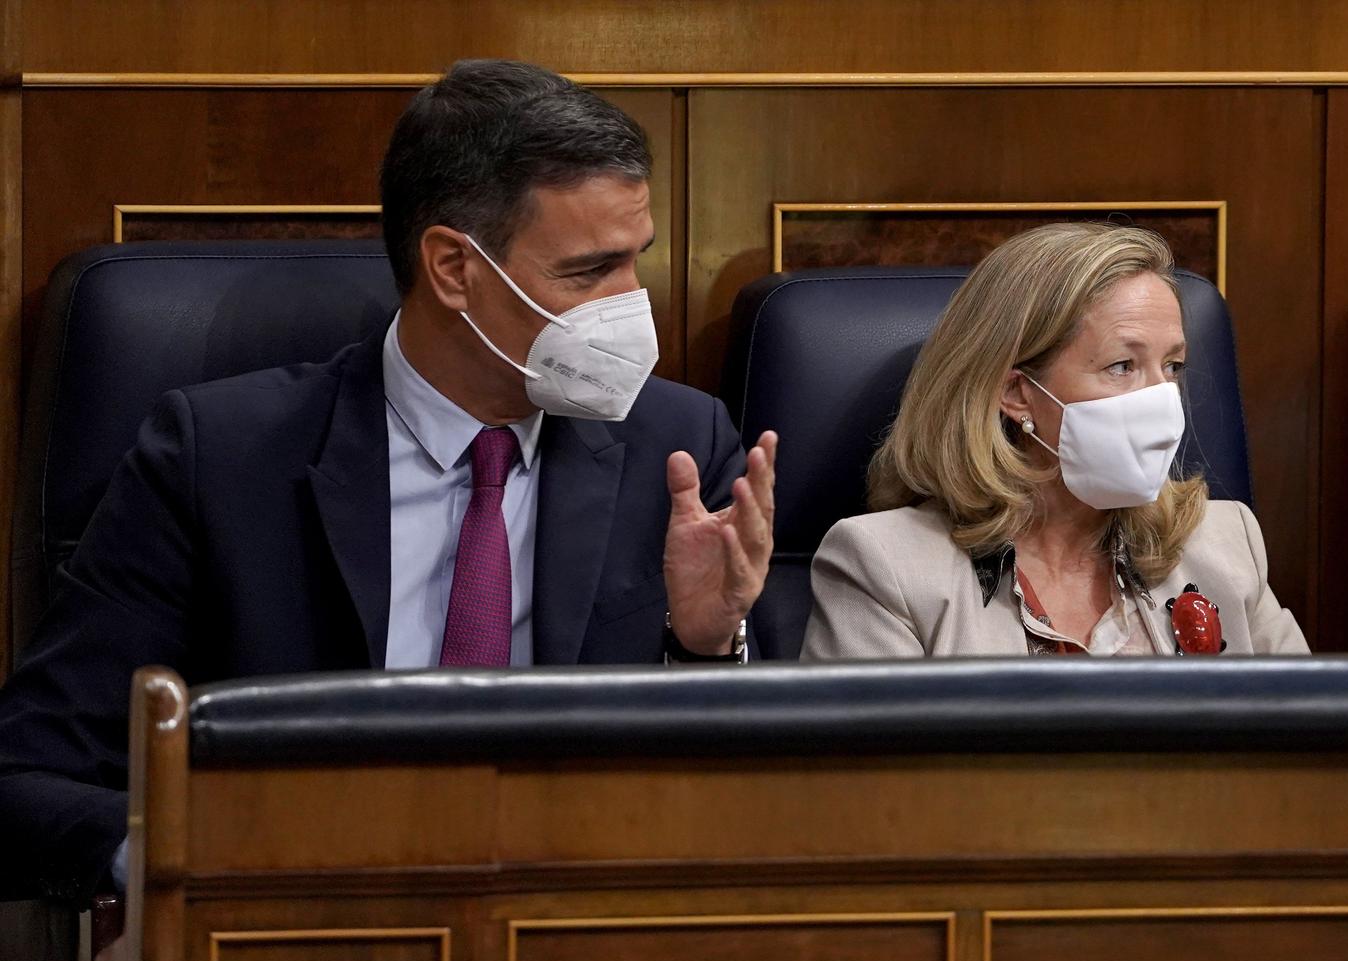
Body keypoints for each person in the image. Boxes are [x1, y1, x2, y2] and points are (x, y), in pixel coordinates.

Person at [0, 58, 780, 908]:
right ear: (453, 267)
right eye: (590, 271)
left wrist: (702, 647)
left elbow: (744, 812)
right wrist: (190, 870)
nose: (634, 306)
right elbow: (28, 773)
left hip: (580, 954)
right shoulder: (216, 461)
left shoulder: (678, 450)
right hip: (301, 949)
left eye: (638, 260)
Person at [802, 223, 1307, 659]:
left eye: (1172, 366)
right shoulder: (886, 567)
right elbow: (868, 772)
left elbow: (1310, 744)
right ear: (1017, 393)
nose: (1162, 399)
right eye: (1122, 366)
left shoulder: (1223, 542)